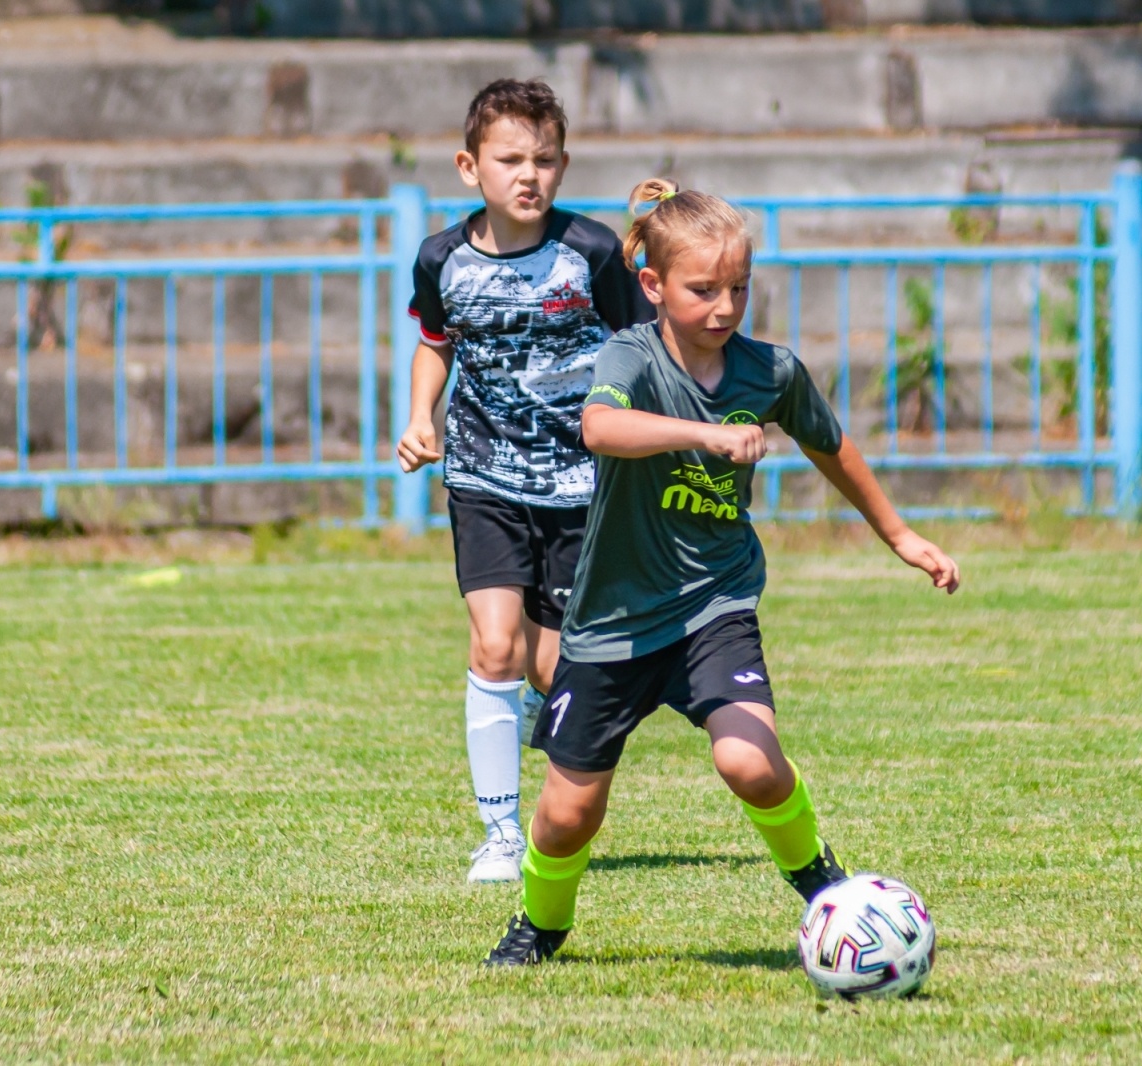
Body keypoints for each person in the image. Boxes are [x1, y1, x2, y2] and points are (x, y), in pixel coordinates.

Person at [485, 178, 961, 965]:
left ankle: (821, 885)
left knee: (749, 760)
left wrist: (900, 534)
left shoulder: (766, 372)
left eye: (739, 287)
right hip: (611, 620)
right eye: (702, 289)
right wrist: (702, 439)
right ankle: (542, 924)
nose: (724, 306)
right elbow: (599, 426)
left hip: (715, 601)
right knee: (568, 817)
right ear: (654, 287)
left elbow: (829, 442)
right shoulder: (630, 355)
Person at [398, 80, 653, 883]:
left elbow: (637, 345)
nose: (528, 175)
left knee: (555, 669)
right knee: (495, 643)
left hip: (582, 486)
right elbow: (435, 341)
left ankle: (549, 724)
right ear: (470, 167)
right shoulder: (442, 257)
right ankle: (502, 835)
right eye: (510, 159)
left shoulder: (594, 251)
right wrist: (419, 417)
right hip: (482, 476)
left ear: (564, 165)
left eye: (544, 160)